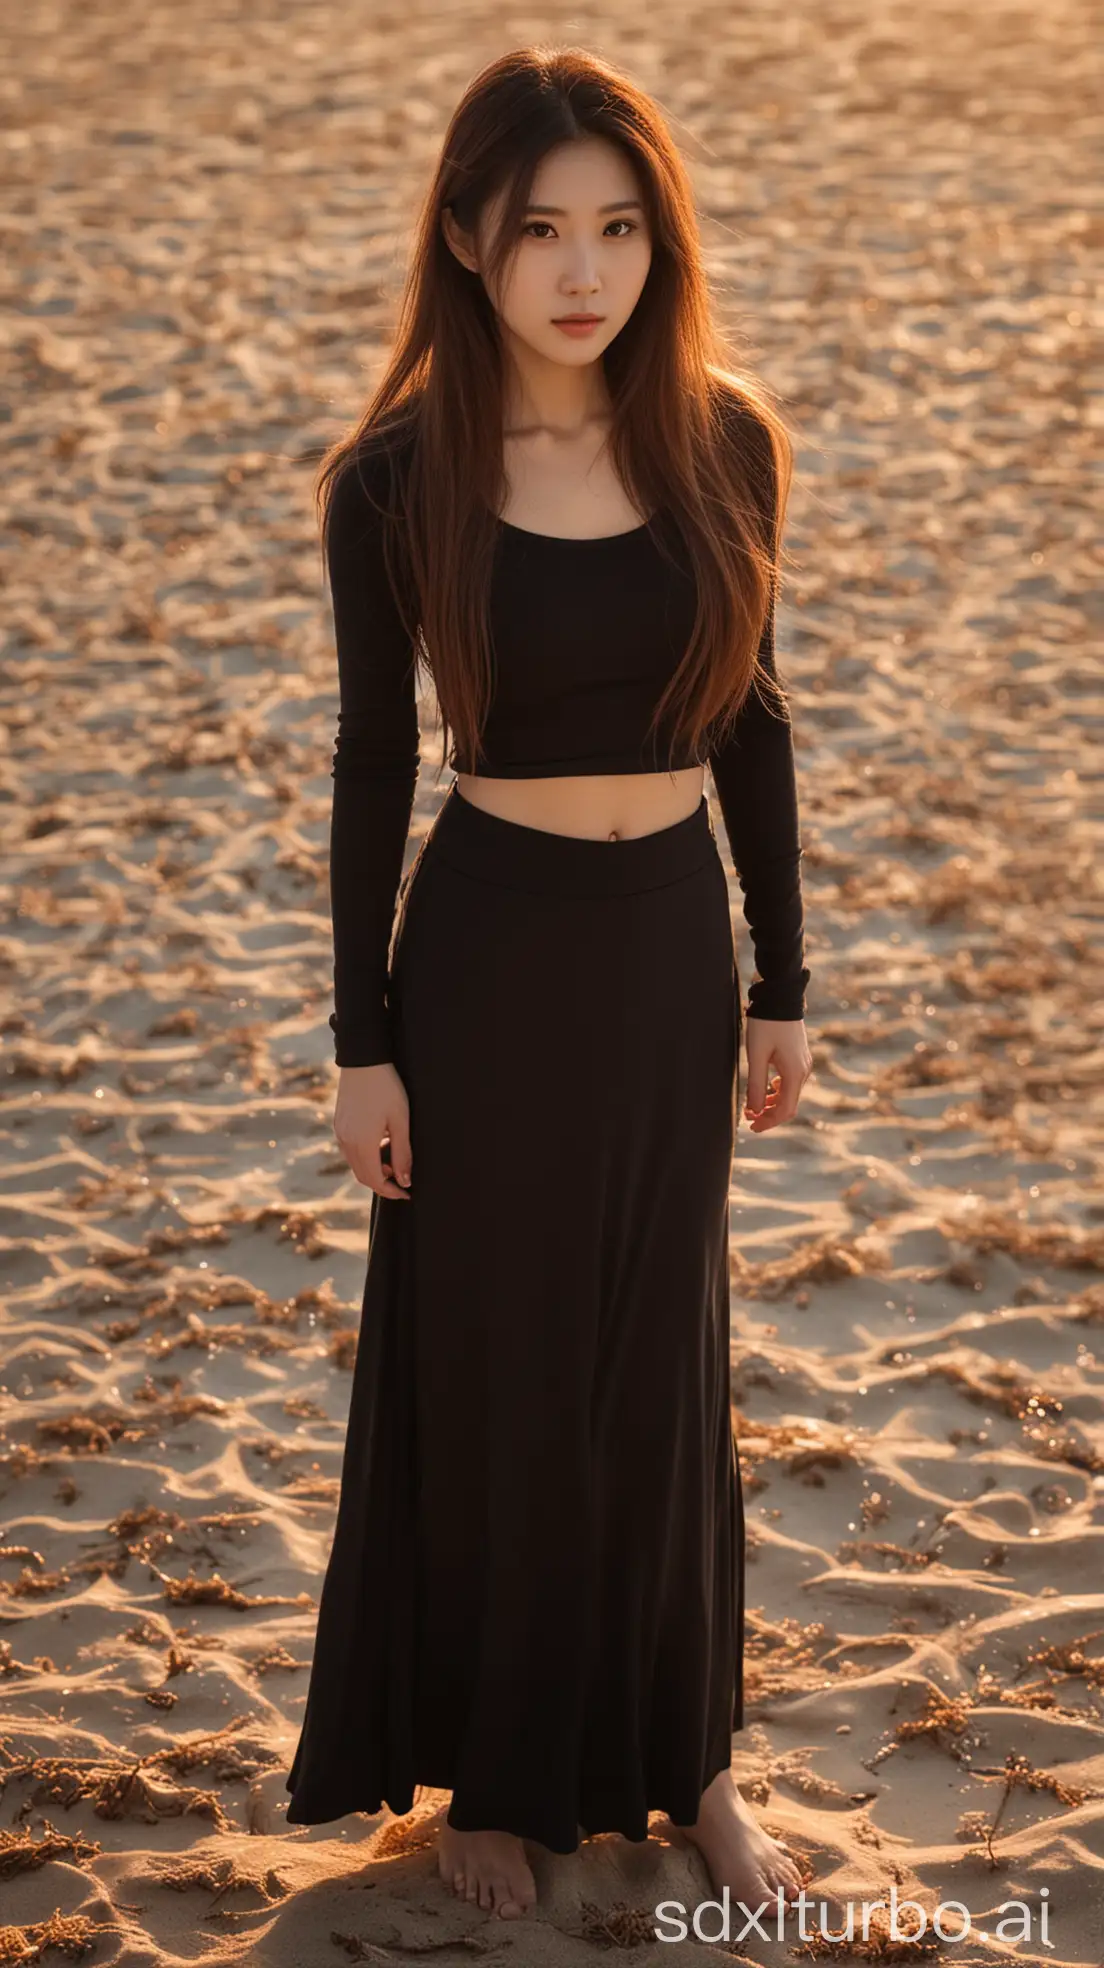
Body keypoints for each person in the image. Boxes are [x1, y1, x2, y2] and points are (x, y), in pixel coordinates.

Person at [285, 43, 813, 1925]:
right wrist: (364, 1048)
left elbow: (752, 715)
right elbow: (366, 771)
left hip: (670, 938)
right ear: (466, 240)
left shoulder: (720, 439)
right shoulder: (394, 482)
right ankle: (491, 1784)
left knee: (664, 1358)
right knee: (500, 1360)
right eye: (541, 232)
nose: (585, 271)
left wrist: (784, 980)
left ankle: (690, 1770)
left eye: (619, 229)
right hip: (491, 947)